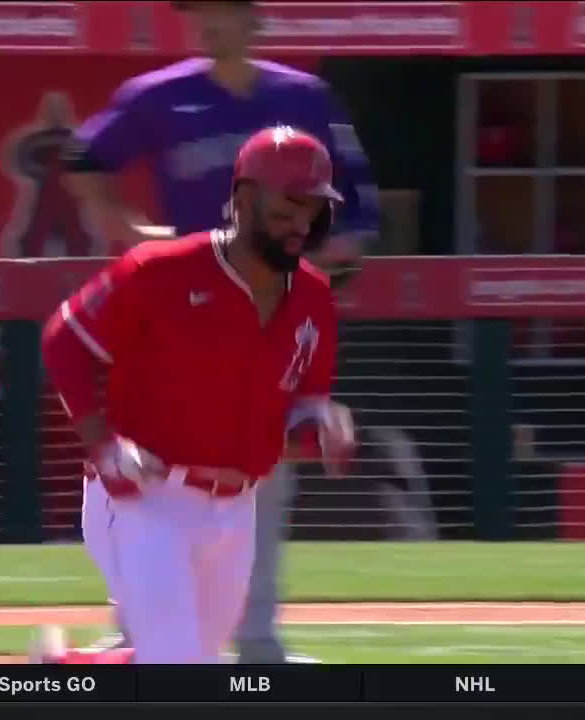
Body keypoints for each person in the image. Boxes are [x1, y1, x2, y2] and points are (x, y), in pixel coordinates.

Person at [61, 0, 379, 664]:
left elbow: (358, 208)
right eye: (199, 13)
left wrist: (300, 265)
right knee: (151, 471)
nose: (209, 24)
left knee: (256, 474)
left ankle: (256, 640)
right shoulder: (158, 97)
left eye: (225, 11)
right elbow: (83, 160)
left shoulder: (305, 97)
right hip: (178, 315)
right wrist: (131, 231)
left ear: (255, 21)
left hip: (270, 314)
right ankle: (137, 635)